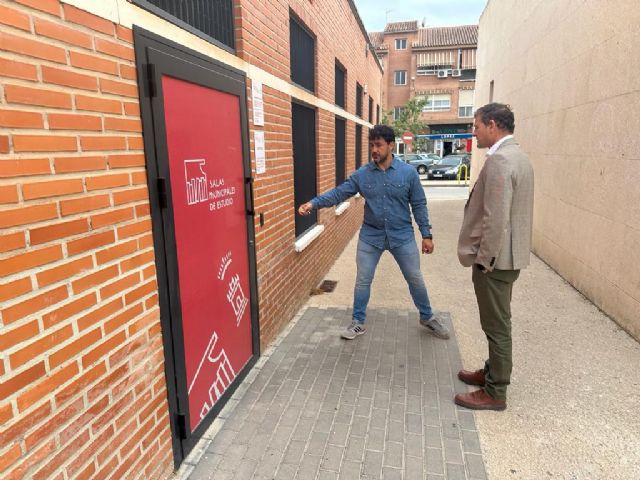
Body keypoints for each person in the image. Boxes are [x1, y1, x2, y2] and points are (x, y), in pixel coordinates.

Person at [298, 125, 449, 341]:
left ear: (390, 145)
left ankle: (427, 317)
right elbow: (339, 193)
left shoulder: (408, 174)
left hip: (402, 235)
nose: (374, 150)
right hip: (371, 236)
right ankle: (358, 322)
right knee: (362, 280)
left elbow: (418, 205)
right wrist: (313, 203)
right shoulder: (362, 174)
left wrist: (427, 235)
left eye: (378, 145)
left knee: (415, 278)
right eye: (372, 145)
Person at [454, 103, 534, 411]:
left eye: (476, 126)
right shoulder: (518, 156)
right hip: (509, 257)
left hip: (496, 261)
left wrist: (484, 260)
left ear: (492, 125)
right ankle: (491, 372)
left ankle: (495, 391)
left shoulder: (501, 160)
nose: (473, 131)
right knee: (497, 321)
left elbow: (495, 217)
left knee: (497, 325)